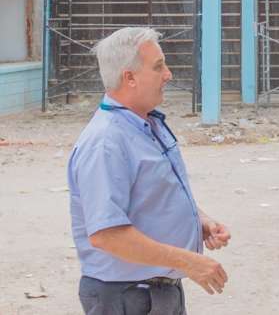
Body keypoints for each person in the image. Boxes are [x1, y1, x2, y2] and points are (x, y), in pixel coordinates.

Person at [68, 27, 230, 314]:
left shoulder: (146, 125)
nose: (168, 74)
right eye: (158, 67)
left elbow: (156, 193)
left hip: (157, 291)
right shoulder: (106, 142)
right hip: (126, 297)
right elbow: (106, 234)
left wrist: (199, 219)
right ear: (129, 77)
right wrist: (187, 261)